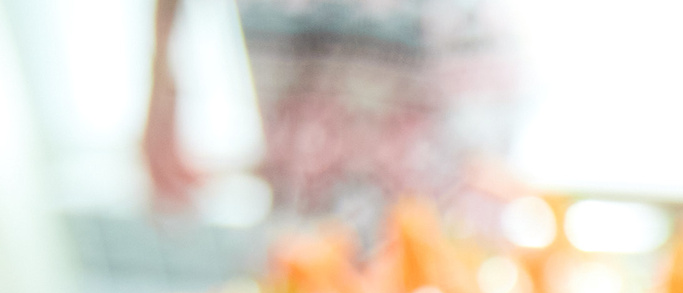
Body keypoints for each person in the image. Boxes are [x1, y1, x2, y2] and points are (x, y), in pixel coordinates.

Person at [145, 0, 520, 241]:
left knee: (443, 230)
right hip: (297, 27)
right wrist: (162, 93)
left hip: (426, 34)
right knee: (309, 228)